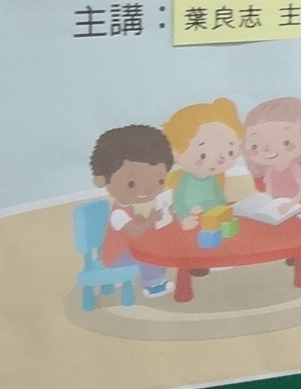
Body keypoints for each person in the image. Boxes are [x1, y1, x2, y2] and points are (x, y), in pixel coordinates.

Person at [89, 123, 174, 298]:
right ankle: (152, 286)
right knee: (149, 256)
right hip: (116, 258)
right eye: (132, 184)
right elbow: (134, 233)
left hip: (127, 250)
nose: (148, 190)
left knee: (155, 248)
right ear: (102, 180)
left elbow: (137, 223)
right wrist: (150, 221)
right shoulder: (118, 213)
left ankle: (157, 280)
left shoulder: (127, 207)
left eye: (159, 181)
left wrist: (151, 219)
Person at [164, 98, 243, 229]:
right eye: (203, 155)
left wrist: (224, 211)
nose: (218, 160)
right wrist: (185, 217)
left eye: (230, 152)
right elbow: (180, 202)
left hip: (211, 218)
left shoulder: (213, 178)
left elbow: (219, 198)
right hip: (193, 219)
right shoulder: (186, 180)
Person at [242, 96, 301, 206]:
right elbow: (269, 190)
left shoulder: (294, 168)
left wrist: (290, 204)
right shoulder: (270, 171)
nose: (267, 149)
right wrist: (266, 203)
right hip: (275, 205)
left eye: (286, 142)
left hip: (294, 205)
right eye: (255, 146)